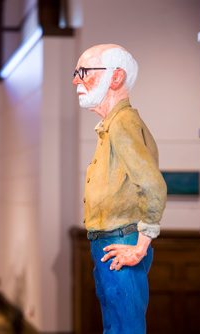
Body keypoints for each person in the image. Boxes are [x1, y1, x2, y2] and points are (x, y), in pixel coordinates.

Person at [72, 44, 167, 334]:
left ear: (115, 78)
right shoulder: (112, 126)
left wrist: (140, 246)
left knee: (125, 326)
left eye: (84, 72)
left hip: (121, 242)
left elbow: (152, 184)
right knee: (116, 323)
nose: (76, 80)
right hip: (111, 241)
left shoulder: (123, 123)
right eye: (76, 73)